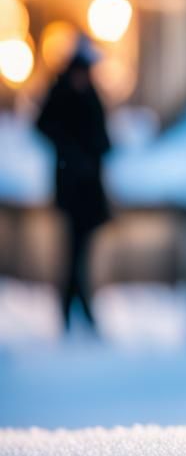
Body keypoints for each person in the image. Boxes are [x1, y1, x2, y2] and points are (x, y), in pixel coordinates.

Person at [36, 41, 112, 331]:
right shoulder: (62, 95)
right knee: (74, 253)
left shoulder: (90, 95)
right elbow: (45, 126)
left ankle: (77, 306)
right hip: (72, 190)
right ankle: (75, 308)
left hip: (88, 189)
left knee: (81, 252)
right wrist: (72, 153)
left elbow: (103, 137)